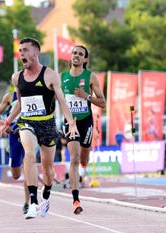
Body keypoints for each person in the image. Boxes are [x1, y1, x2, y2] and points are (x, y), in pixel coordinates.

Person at [0, 37, 78, 219]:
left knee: (48, 171)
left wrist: (70, 122)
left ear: (36, 53)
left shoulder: (50, 75)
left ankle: (46, 194)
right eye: (20, 50)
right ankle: (32, 202)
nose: (21, 54)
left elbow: (62, 101)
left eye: (25, 50)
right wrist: (7, 122)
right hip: (27, 122)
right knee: (29, 154)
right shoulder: (17, 77)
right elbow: (20, 104)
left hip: (47, 124)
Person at [61, 45, 106, 214]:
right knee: (73, 159)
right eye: (74, 53)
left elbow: (103, 102)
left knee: (83, 158)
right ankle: (75, 199)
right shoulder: (62, 77)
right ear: (70, 56)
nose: (77, 56)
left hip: (86, 121)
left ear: (85, 59)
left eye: (81, 54)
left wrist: (86, 96)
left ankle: (84, 163)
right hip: (70, 122)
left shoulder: (90, 77)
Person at [0, 91, 29, 214]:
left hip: (28, 132)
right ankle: (14, 162)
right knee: (16, 175)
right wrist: (3, 124)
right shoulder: (9, 96)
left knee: (28, 169)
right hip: (13, 136)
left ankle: (27, 202)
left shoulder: (32, 92)